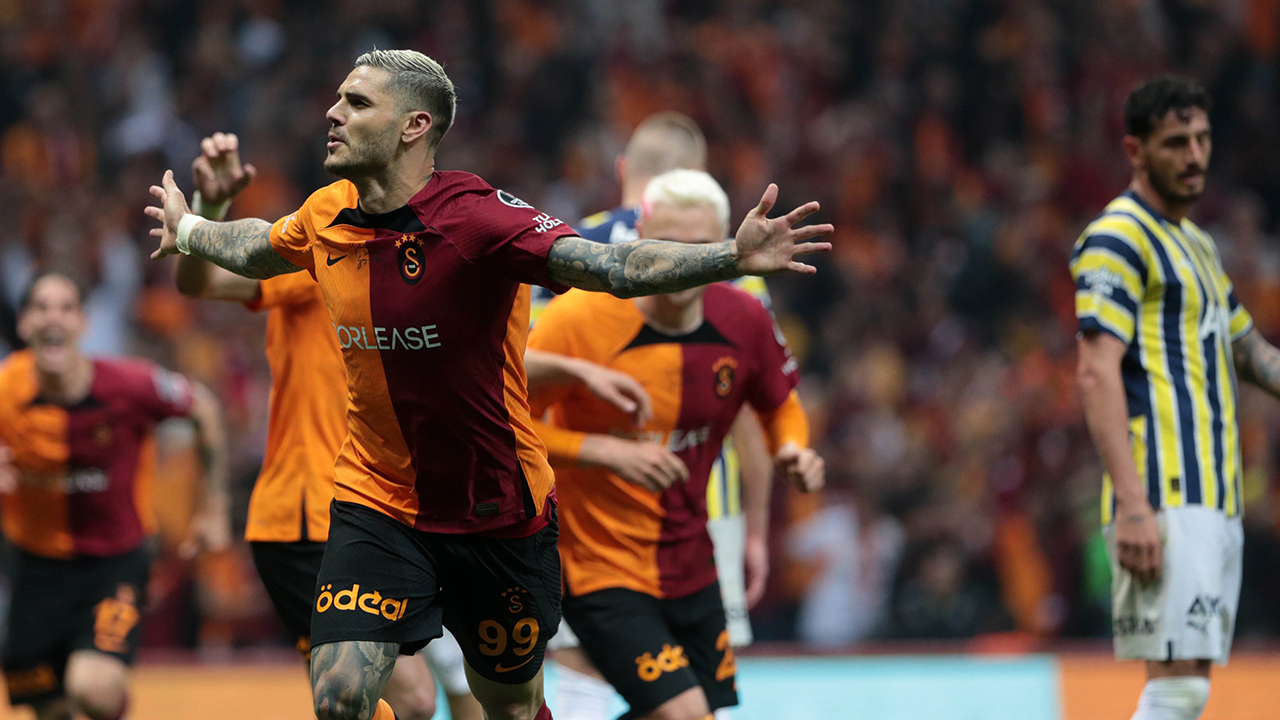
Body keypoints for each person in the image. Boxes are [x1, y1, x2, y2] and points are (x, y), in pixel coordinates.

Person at [145, 48, 829, 720]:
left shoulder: (479, 219)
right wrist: (193, 228)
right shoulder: (327, 214)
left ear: (414, 126)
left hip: (497, 512)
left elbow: (610, 266)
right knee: (342, 695)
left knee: (509, 705)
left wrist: (730, 257)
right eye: (338, 99)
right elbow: (258, 247)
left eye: (356, 102)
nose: (333, 113)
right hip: (377, 500)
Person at [174, 132, 657, 720]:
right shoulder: (325, 241)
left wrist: (576, 372)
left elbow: (482, 366)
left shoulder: (449, 247)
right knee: (402, 698)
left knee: (472, 695)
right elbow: (200, 281)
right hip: (322, 510)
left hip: (433, 512)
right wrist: (211, 209)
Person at [527, 169, 825, 720]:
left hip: (692, 561)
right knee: (685, 715)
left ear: (726, 245)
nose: (682, 260)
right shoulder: (576, 319)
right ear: (639, 234)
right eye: (668, 242)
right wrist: (603, 450)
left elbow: (779, 403)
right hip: (596, 565)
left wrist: (792, 449)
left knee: (697, 713)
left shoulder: (745, 319)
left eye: (701, 245)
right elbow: (507, 423)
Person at [1072, 75, 1280, 720]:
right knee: (1178, 689)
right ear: (1135, 150)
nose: (1194, 156)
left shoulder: (1198, 246)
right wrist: (1133, 505)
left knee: (1189, 687)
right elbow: (1096, 372)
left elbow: (1251, 353)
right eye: (1175, 142)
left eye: (1202, 139)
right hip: (1163, 490)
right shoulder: (1118, 236)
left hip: (1215, 494)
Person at [0, 272, 230, 720]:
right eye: (41, 308)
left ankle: (112, 702)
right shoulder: (7, 390)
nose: (53, 318)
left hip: (115, 563)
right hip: (34, 565)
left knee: (92, 688)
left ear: (83, 322)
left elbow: (203, 406)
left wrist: (215, 507)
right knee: (51, 708)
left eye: (66, 307)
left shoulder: (128, 385)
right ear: (24, 324)